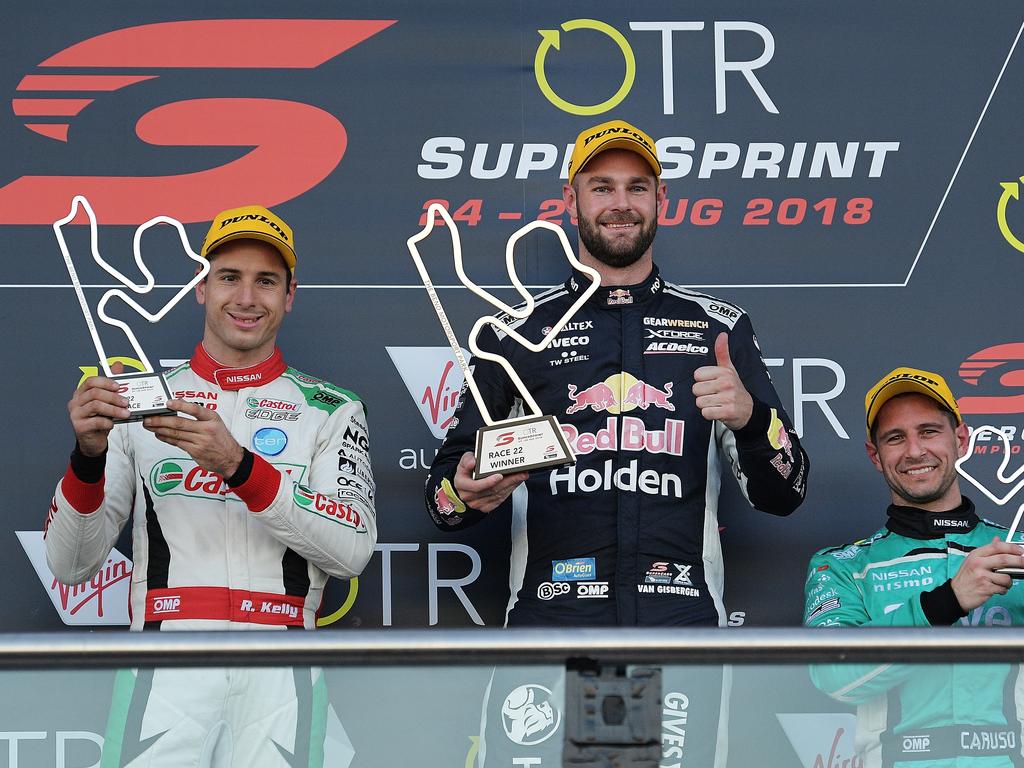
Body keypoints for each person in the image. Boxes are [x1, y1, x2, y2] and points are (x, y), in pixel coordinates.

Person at [425, 119, 809, 627]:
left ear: (661, 199)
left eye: (637, 187)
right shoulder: (512, 333)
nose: (620, 204)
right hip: (548, 623)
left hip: (682, 623)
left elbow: (787, 491)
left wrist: (752, 419)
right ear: (571, 199)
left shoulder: (718, 328)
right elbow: (442, 503)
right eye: (601, 187)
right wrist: (464, 491)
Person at [45, 204, 376, 766]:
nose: (246, 298)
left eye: (265, 281)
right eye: (229, 277)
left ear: (289, 295)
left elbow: (352, 552)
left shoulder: (331, 409)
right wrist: (88, 457)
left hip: (283, 661)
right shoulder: (138, 403)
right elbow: (70, 565)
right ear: (201, 286)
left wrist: (240, 468)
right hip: (166, 654)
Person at [805, 366, 1024, 767]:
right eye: (895, 438)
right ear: (875, 455)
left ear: (960, 438)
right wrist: (945, 603)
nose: (914, 451)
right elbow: (834, 679)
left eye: (928, 431)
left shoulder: (1016, 552)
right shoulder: (842, 566)